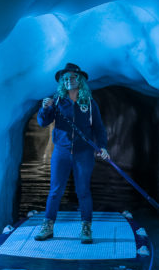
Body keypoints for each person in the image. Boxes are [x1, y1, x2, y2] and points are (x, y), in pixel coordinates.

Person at [35, 62, 109, 244]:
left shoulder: (89, 104)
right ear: (62, 82)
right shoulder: (57, 101)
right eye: (65, 78)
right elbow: (43, 122)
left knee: (83, 190)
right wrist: (45, 109)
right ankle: (48, 226)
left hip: (83, 154)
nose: (69, 80)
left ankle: (86, 227)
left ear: (80, 80)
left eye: (73, 77)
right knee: (55, 191)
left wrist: (103, 146)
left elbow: (99, 128)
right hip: (61, 152)